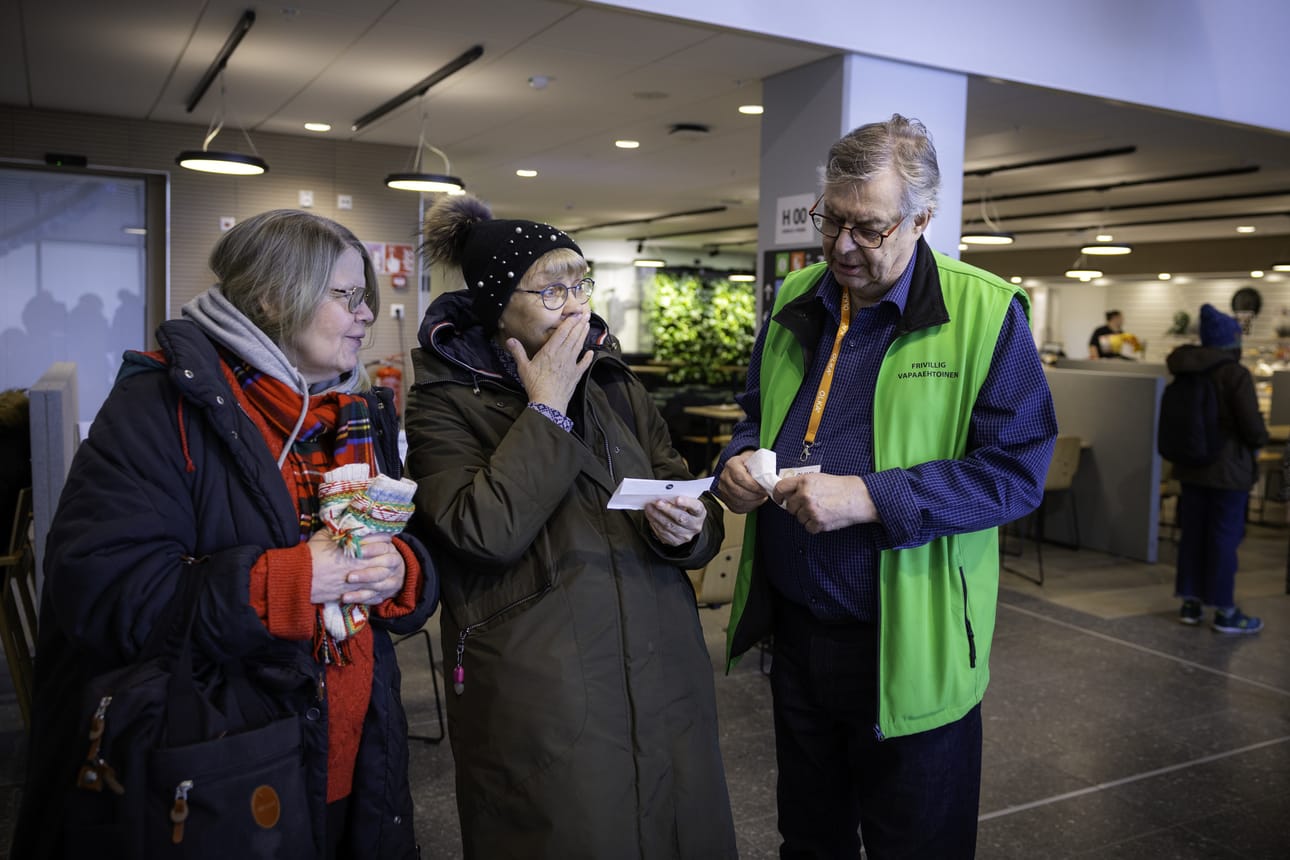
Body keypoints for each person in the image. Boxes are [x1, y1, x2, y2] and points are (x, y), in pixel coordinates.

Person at [13, 210, 437, 859]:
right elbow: (99, 590)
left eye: (366, 298)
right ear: (270, 296)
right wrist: (292, 582)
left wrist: (400, 572)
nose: (366, 315)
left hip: (356, 749)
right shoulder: (159, 409)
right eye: (345, 296)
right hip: (219, 767)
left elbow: (406, 553)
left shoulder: (352, 412)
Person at [714, 114, 1058, 858]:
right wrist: (740, 461)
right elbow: (755, 417)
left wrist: (870, 496)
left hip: (912, 642)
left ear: (922, 219)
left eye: (867, 228)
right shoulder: (797, 296)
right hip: (799, 638)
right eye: (830, 219)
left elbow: (1017, 471)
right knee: (809, 840)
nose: (840, 246)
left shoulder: (985, 313)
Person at [403, 195, 737, 859]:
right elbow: (479, 531)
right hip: (543, 681)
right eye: (552, 289)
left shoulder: (615, 382)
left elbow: (685, 491)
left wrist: (688, 530)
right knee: (570, 829)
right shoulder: (442, 402)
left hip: (659, 663)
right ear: (500, 304)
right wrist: (546, 411)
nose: (575, 303)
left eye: (581, 283)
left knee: (678, 827)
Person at [1166, 303, 1266, 633]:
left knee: (1193, 534)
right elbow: (1251, 425)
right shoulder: (1234, 374)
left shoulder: (1185, 368)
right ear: (1231, 341)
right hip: (1228, 470)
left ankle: (1190, 603)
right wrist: (1259, 442)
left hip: (1191, 466)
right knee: (1224, 538)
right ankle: (1224, 610)